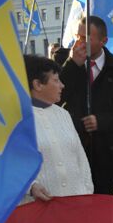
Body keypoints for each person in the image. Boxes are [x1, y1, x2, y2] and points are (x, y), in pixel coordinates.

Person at [59, 16, 113, 195]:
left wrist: (101, 121)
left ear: (103, 41)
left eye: (85, 37)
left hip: (107, 155)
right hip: (73, 153)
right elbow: (55, 99)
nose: (79, 42)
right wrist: (72, 65)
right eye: (77, 36)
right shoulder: (65, 63)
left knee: (103, 213)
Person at [22, 54, 93, 202]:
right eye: (56, 80)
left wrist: (86, 193)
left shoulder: (63, 114)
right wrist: (30, 186)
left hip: (74, 203)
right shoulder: (18, 119)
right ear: (38, 85)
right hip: (38, 209)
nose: (62, 85)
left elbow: (80, 158)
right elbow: (10, 164)